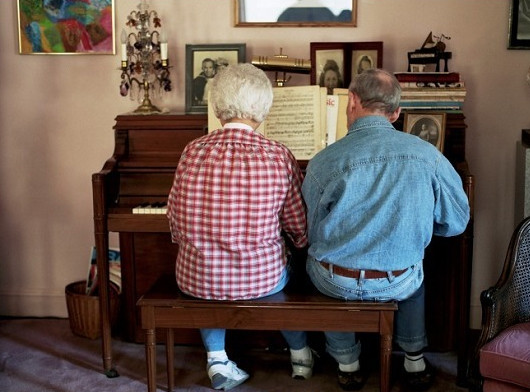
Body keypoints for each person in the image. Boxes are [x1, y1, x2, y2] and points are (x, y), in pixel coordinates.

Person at [301, 68, 470, 391]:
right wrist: (410, 226)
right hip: (398, 280)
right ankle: (414, 360)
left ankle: (346, 363)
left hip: (336, 280)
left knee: (316, 261)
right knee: (412, 265)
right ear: (396, 112)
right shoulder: (428, 156)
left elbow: (312, 230)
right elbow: (456, 223)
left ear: (351, 102)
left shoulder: (324, 160)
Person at [167, 63, 313, 390]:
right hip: (265, 281)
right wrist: (299, 244)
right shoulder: (279, 155)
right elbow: (296, 225)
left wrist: (200, 243)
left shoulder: (192, 151)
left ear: (217, 107)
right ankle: (300, 352)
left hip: (198, 278)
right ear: (262, 110)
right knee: (294, 263)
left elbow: (175, 221)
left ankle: (217, 359)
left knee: (206, 267)